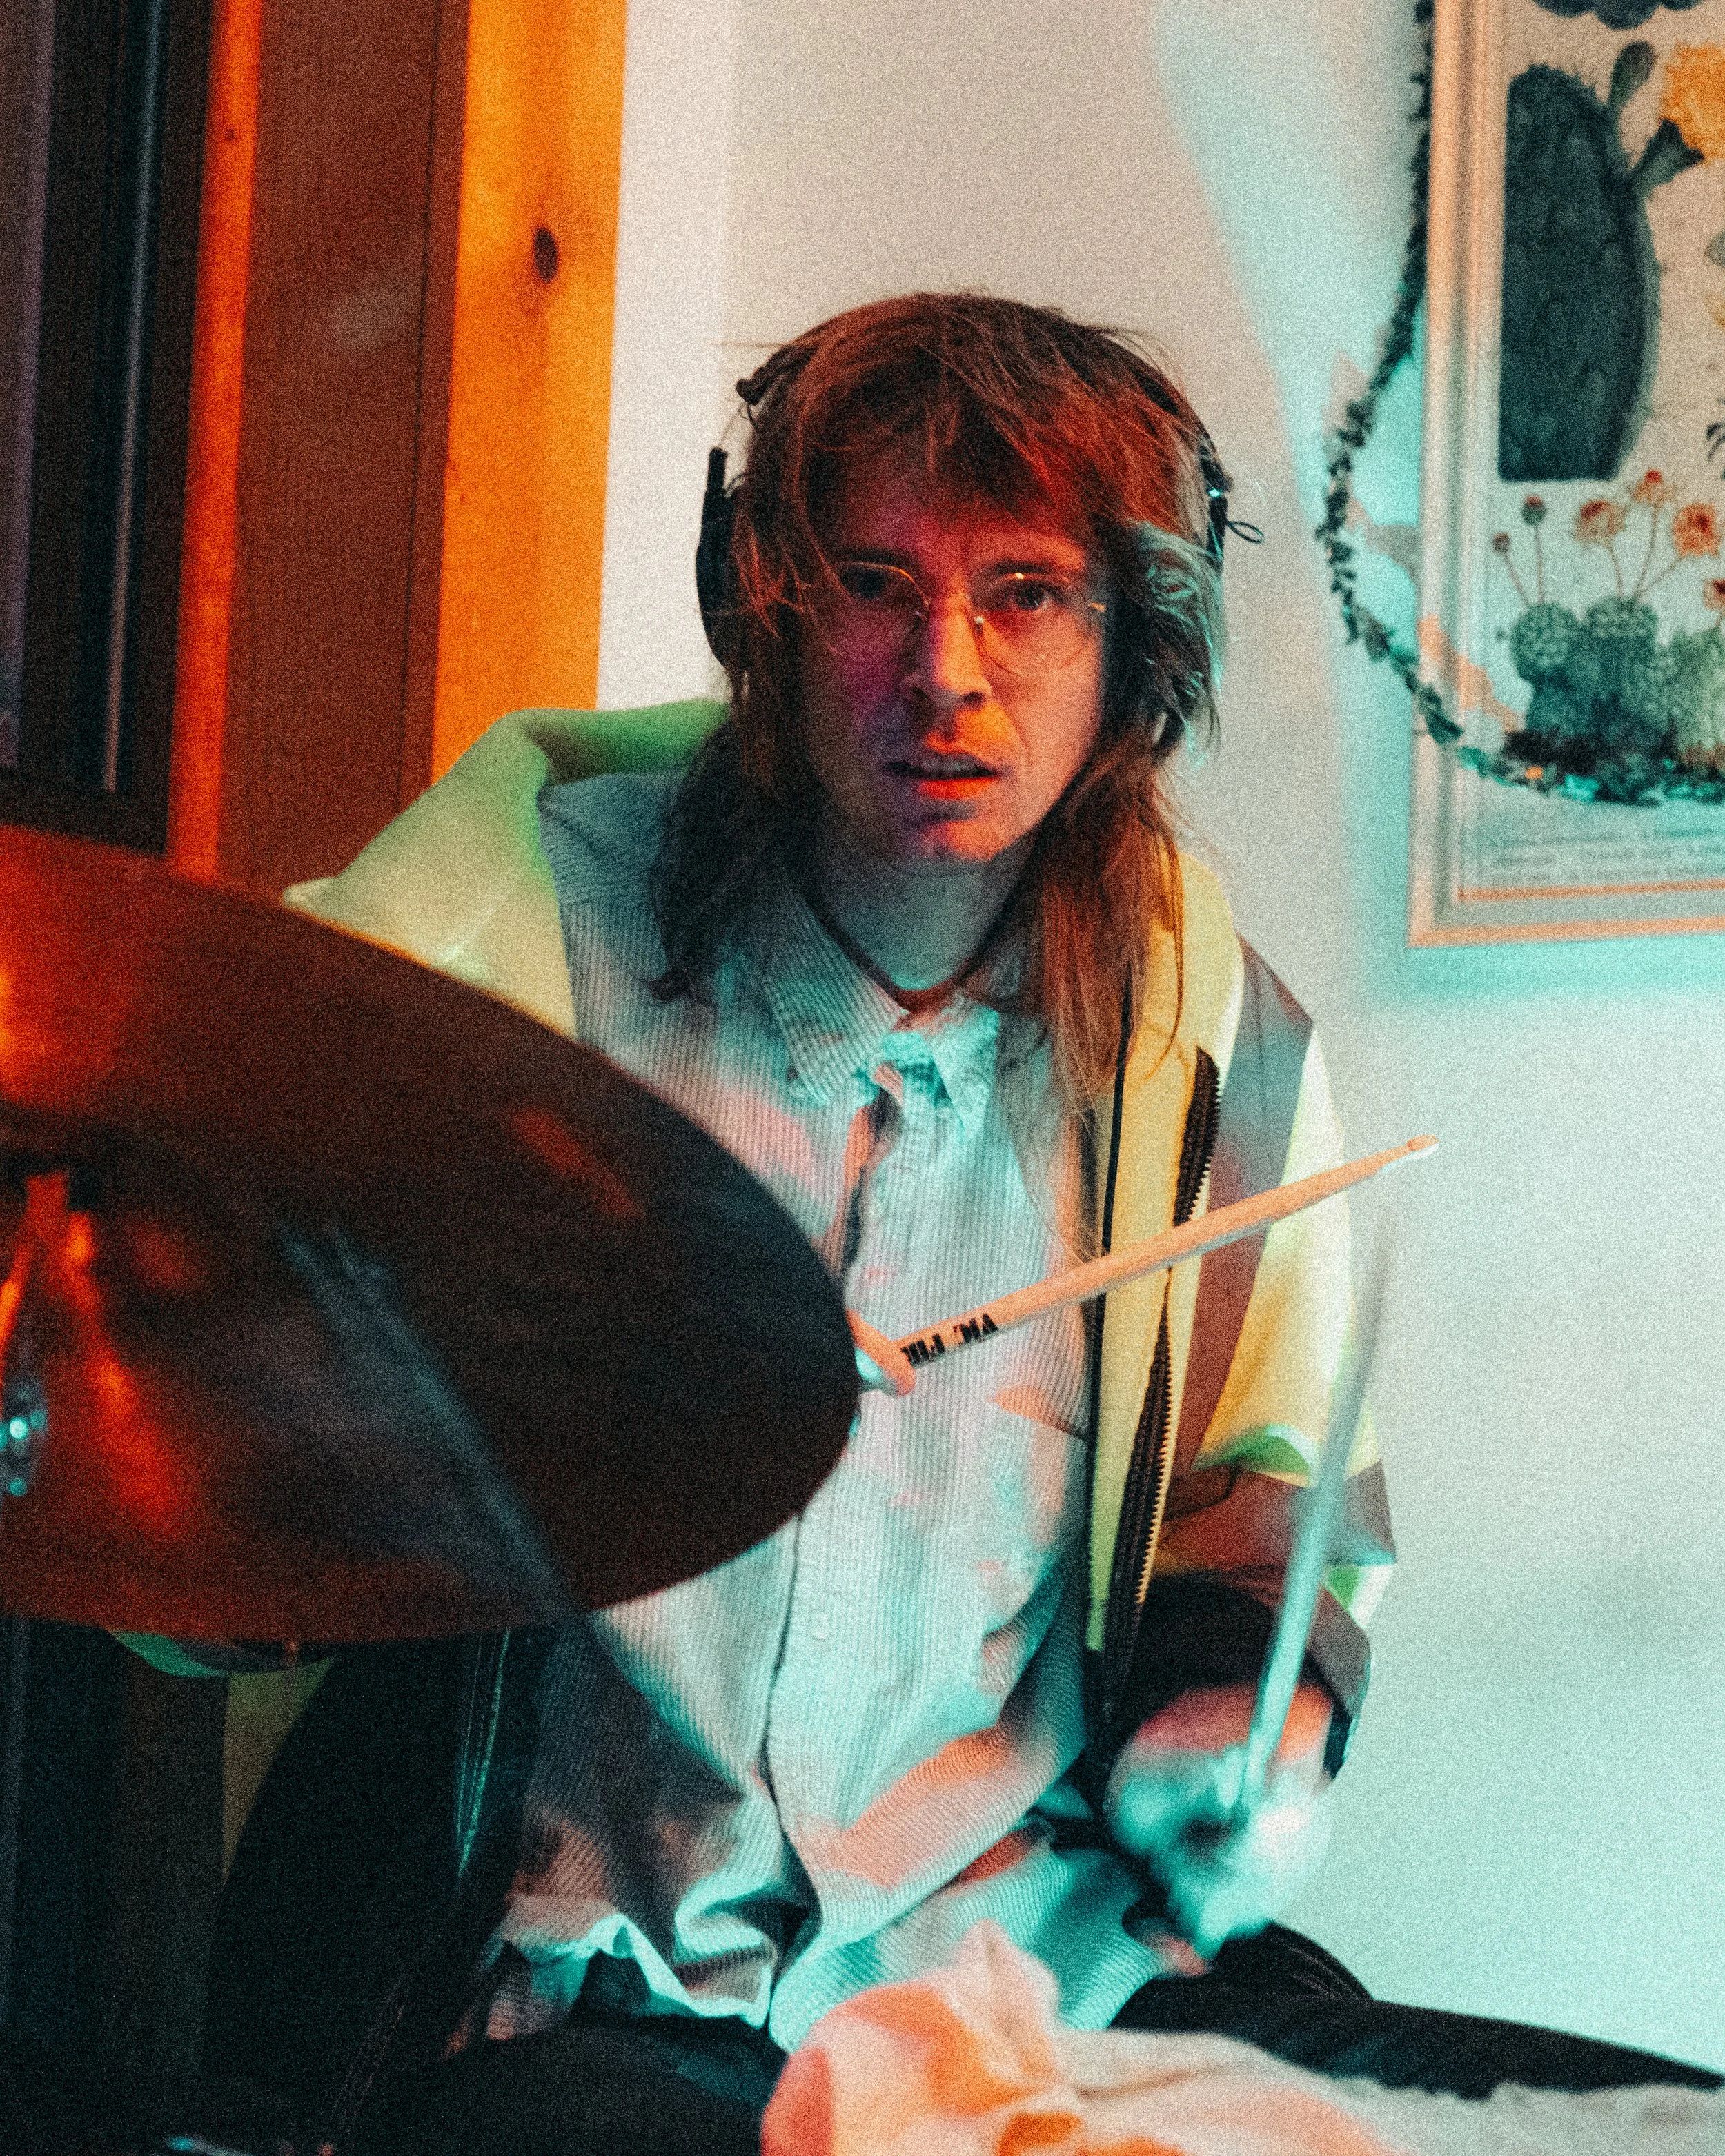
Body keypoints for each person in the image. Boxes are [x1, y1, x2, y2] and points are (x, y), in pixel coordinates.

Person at [204, 295, 1718, 2153]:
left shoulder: (1205, 1054)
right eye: (871, 584)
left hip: (1028, 1993)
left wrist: (1239, 1734)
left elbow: (1250, 1540)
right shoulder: (520, 949)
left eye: (1028, 593)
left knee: (1637, 2116)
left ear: (1130, 641)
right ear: (763, 598)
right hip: (592, 1992)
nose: (947, 670)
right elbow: (223, 1415)